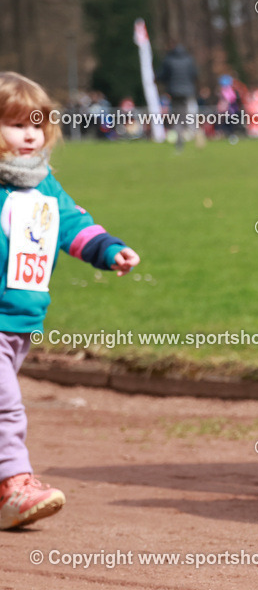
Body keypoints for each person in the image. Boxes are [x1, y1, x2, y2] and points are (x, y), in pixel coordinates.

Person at [0, 72, 140, 529]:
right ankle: (15, 486)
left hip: (21, 320)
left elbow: (74, 226)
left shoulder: (42, 186)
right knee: (6, 405)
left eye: (37, 124)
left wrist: (108, 249)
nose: (29, 134)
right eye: (16, 123)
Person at [156, 43, 199, 152]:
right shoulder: (189, 60)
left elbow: (163, 76)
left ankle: (180, 138)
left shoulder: (169, 60)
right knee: (186, 114)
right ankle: (191, 132)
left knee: (177, 116)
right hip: (187, 92)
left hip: (174, 92)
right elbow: (195, 74)